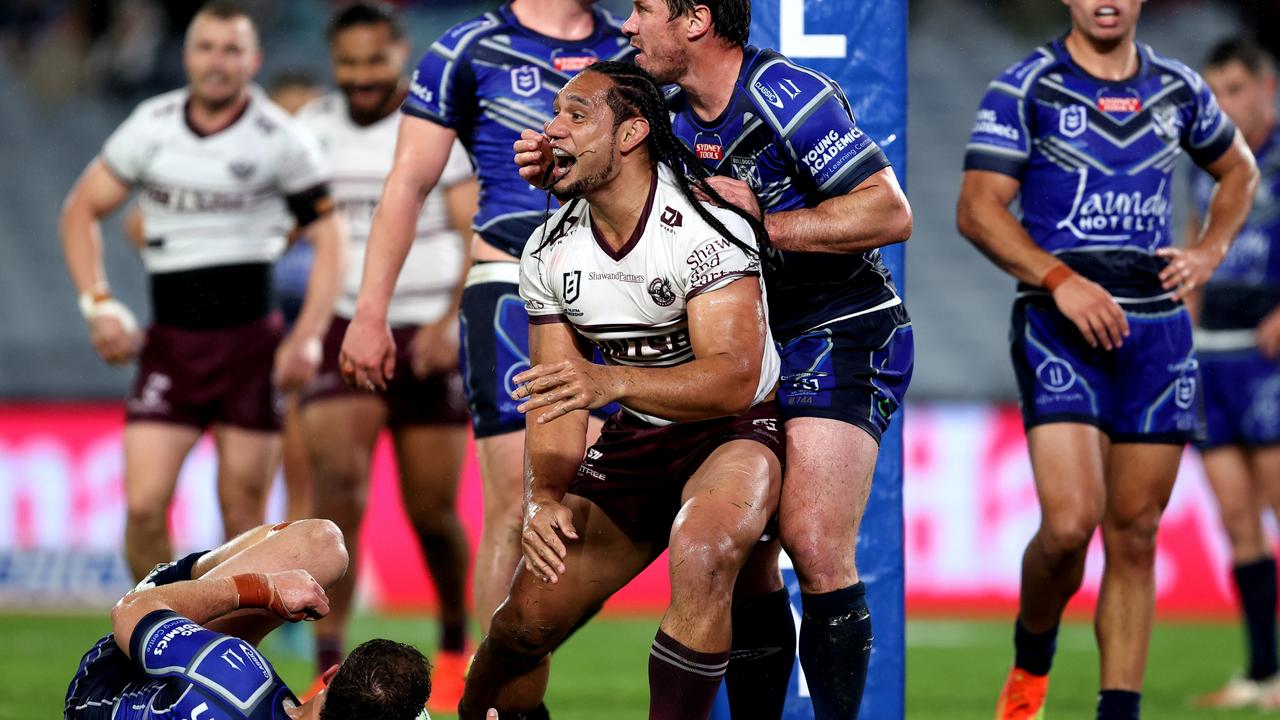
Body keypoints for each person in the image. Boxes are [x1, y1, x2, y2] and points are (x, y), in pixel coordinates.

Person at [514, 1, 914, 715]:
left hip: (831, 326)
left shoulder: (790, 97)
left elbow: (889, 213)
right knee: (748, 555)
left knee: (815, 543)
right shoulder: (658, 106)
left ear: (696, 19)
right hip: (734, 344)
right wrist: (561, 163)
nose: (628, 25)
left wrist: (762, 223)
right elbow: (612, 168)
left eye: (643, 9)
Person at [955, 1, 1259, 718]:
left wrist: (1211, 249)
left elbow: (1238, 171)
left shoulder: (1179, 89)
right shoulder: (1026, 86)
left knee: (1137, 532)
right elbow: (977, 209)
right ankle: (1032, 664)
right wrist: (1060, 280)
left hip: (1157, 334)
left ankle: (1116, 711)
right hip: (1060, 325)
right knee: (1068, 526)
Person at [456, 61, 784, 720]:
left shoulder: (706, 225)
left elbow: (733, 378)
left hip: (735, 432)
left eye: (577, 115)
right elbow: (556, 395)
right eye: (555, 114)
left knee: (705, 552)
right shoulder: (548, 249)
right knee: (524, 625)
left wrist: (607, 379)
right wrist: (543, 497)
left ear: (631, 132)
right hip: (639, 439)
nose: (553, 130)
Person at [338, 0, 632, 639]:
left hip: (622, 288)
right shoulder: (466, 49)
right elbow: (407, 184)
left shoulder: (632, 42)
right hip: (511, 285)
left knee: (599, 512)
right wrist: (370, 313)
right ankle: (495, 702)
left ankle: (514, 667)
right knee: (519, 504)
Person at [58, 0, 345, 582]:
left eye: (232, 49)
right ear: (187, 55)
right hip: (171, 344)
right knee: (142, 508)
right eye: (207, 48)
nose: (218, 62)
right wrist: (98, 302)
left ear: (253, 59)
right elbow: (81, 209)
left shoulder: (279, 139)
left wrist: (309, 336)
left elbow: (332, 240)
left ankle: (219, 648)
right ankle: (156, 634)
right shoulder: (152, 125)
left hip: (250, 348)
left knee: (242, 516)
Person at [294, 3, 478, 712]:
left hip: (427, 334)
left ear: (398, 55)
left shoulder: (435, 129)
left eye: (376, 61)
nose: (363, 76)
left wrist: (446, 320)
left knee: (432, 512)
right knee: (338, 486)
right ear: (334, 62)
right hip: (346, 324)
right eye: (350, 63)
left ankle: (456, 639)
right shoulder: (309, 130)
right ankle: (329, 662)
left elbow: (473, 232)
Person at [64, 517, 502, 719]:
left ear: (330, 675)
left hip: (105, 688)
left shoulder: (234, 674)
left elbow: (129, 611)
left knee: (320, 546)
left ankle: (198, 575)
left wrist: (259, 590)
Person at [1186, 37, 1280, 710]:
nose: (1225, 103)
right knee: (1238, 520)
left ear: (1268, 87)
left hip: (1265, 351)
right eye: (1215, 90)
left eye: (1236, 88)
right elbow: (1197, 240)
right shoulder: (1204, 165)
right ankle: (1261, 673)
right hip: (1211, 351)